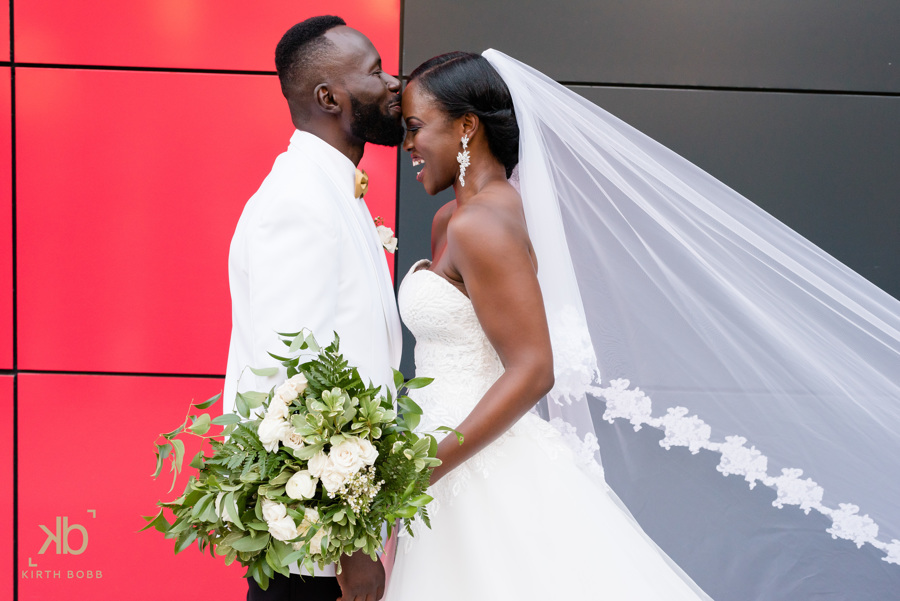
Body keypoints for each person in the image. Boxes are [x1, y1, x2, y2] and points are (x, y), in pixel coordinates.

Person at [386, 50, 900, 599]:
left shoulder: (480, 224)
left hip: (464, 465)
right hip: (445, 460)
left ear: (467, 126)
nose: (407, 144)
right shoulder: (454, 219)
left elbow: (533, 369)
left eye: (415, 127)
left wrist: (422, 470)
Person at [223, 16, 403, 601]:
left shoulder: (330, 188)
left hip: (327, 540)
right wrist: (351, 550)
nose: (394, 82)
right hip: (313, 553)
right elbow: (289, 380)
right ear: (329, 98)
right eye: (376, 71)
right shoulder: (299, 202)